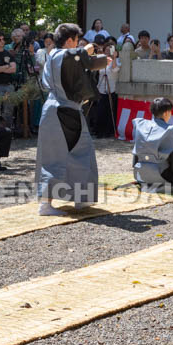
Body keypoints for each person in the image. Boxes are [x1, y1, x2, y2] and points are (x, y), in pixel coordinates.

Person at [36, 23, 111, 216]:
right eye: (76, 41)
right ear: (70, 41)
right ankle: (45, 204)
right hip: (59, 111)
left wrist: (99, 60)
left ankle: (81, 198)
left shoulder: (58, 57)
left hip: (67, 110)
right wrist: (86, 51)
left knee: (82, 153)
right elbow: (75, 57)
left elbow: (80, 68)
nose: (78, 45)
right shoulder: (58, 55)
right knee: (54, 158)